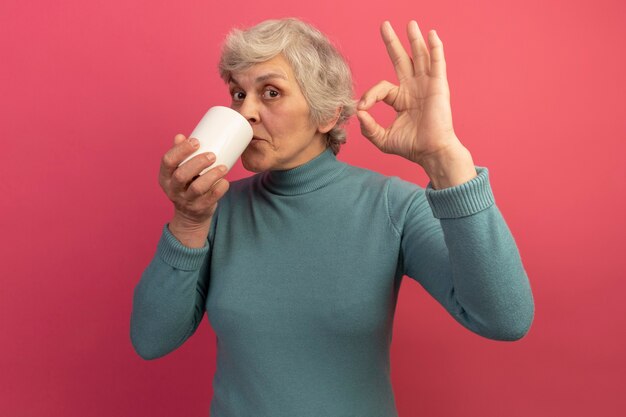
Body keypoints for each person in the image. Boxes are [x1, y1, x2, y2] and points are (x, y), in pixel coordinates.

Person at [130, 17, 534, 417]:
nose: (246, 112)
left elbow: (505, 319)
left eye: (270, 92)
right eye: (238, 93)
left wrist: (445, 158)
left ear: (326, 115)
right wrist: (188, 220)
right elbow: (151, 340)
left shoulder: (393, 206)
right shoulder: (216, 210)